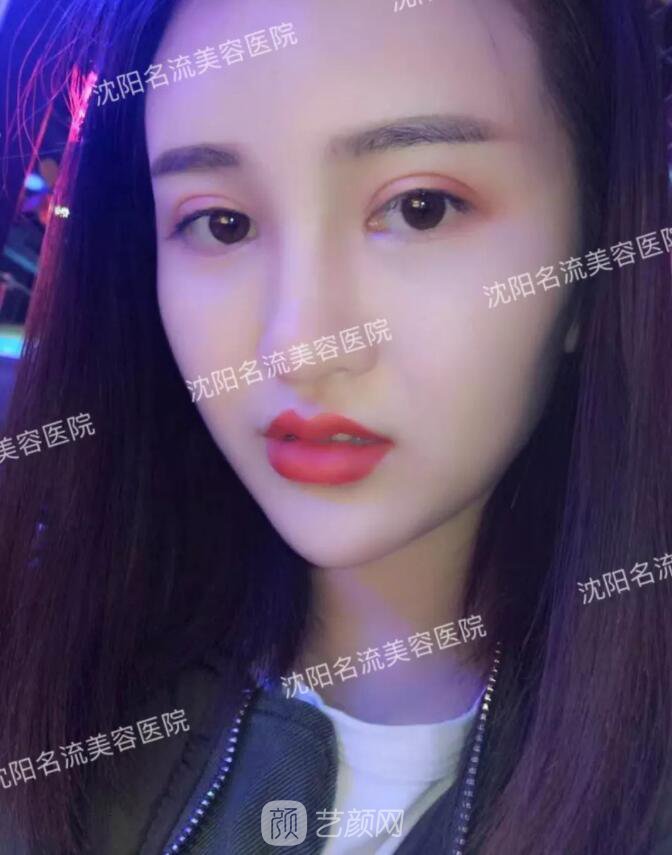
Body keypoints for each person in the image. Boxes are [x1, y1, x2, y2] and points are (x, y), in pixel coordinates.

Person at [0, 0, 671, 852]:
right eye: (222, 223)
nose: (299, 346)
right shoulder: (47, 678)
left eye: (421, 208)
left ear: (594, 248)